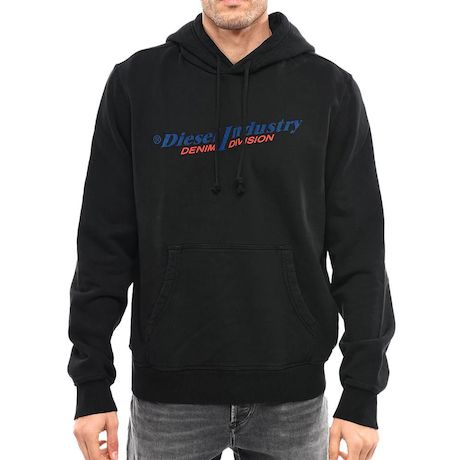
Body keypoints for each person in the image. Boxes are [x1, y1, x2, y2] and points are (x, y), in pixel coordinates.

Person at [68, 1, 396, 459]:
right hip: (168, 397)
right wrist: (91, 383)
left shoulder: (329, 90)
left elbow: (360, 249)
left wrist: (362, 392)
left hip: (292, 397)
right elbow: (103, 241)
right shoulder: (136, 84)